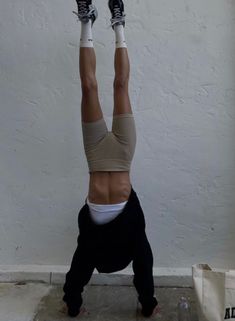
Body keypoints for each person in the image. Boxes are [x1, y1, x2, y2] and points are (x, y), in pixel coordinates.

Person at [62, 0, 158, 317]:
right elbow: (139, 261)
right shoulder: (118, 234)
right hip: (122, 151)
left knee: (91, 88)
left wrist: (148, 306)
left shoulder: (111, 237)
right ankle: (118, 24)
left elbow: (142, 262)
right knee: (114, 86)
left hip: (96, 158)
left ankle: (87, 20)